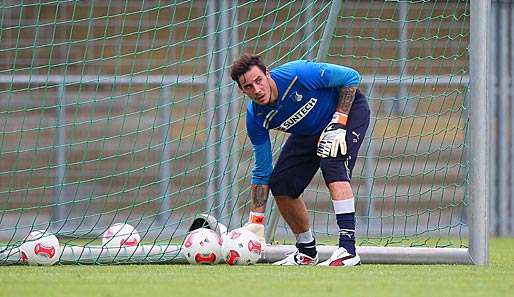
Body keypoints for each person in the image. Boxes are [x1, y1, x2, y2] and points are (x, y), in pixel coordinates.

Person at [230, 54, 370, 266]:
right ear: (242, 91)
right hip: (309, 132)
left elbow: (351, 77)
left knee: (332, 161)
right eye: (248, 86)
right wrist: (256, 222)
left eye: (259, 80)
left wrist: (339, 122)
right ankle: (306, 252)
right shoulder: (256, 118)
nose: (257, 90)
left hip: (347, 113)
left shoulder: (298, 74)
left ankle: (348, 250)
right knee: (282, 184)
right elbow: (262, 170)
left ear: (268, 74)